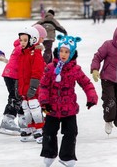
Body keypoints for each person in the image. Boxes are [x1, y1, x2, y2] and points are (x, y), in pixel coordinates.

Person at [39, 34, 98, 167]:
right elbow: (43, 86)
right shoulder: (50, 68)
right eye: (61, 51)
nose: (63, 54)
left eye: (67, 52)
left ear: (71, 54)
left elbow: (86, 83)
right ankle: (49, 154)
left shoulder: (75, 70)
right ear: (57, 51)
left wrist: (91, 97)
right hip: (51, 107)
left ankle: (66, 156)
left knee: (71, 132)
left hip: (69, 108)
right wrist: (44, 102)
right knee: (49, 131)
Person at [0, 24, 47, 135]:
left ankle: (23, 121)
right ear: (35, 36)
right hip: (15, 76)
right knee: (16, 98)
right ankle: (8, 118)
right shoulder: (26, 48)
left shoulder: (26, 48)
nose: (43, 40)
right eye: (42, 38)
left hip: (10, 74)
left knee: (21, 98)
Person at [90, 23, 117, 138]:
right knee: (111, 101)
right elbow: (97, 57)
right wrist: (94, 69)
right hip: (108, 79)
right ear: (116, 38)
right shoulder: (108, 45)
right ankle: (108, 119)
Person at [16, 26, 45, 144]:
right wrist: (18, 86)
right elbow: (20, 72)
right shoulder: (22, 54)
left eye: (24, 40)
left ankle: (39, 128)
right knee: (26, 108)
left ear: (32, 40)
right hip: (24, 87)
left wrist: (33, 87)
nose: (22, 43)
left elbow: (37, 72)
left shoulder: (36, 54)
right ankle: (30, 128)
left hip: (33, 87)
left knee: (34, 107)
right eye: (20, 40)